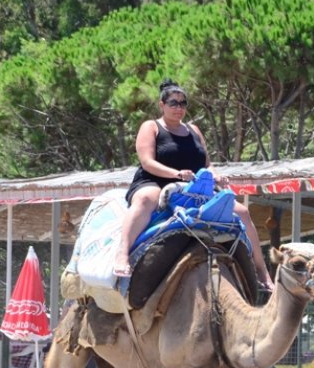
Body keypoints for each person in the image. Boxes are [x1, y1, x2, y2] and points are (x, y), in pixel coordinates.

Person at [113, 79, 274, 291]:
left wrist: (216, 177)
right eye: (173, 103)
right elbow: (147, 162)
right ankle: (122, 253)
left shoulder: (194, 130)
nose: (179, 108)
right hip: (156, 181)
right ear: (162, 105)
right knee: (145, 199)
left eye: (183, 103)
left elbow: (206, 163)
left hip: (194, 188)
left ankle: (261, 270)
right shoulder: (151, 127)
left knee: (242, 211)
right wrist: (176, 174)